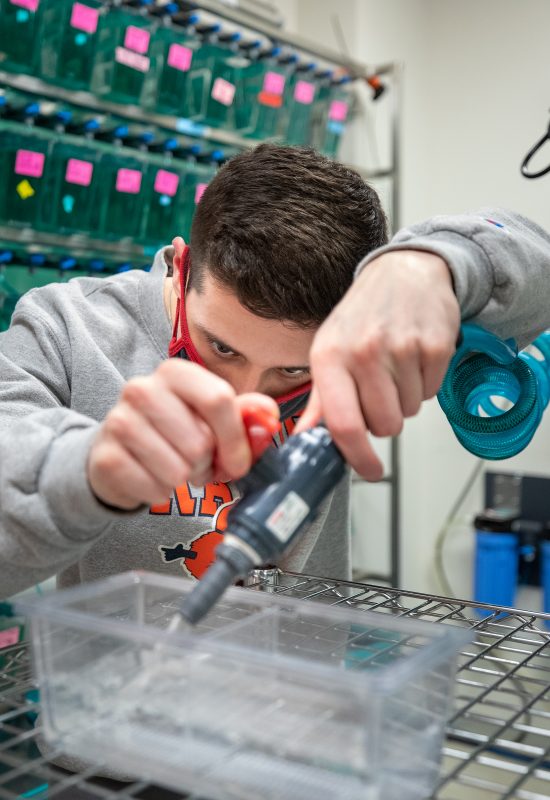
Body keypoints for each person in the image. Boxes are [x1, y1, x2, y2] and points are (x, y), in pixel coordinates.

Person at [0, 144, 549, 599]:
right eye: (222, 347)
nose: (248, 397)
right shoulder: (67, 326)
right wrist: (94, 470)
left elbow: (535, 262)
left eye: (292, 369)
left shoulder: (363, 341)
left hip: (304, 709)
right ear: (181, 265)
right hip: (113, 713)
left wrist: (435, 265)